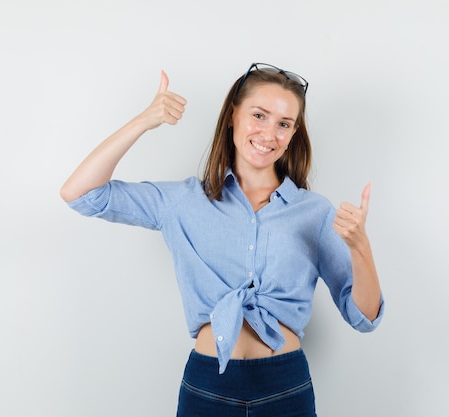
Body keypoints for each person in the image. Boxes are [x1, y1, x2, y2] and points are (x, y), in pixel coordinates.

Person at [60, 62, 384, 416]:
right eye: (259, 115)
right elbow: (81, 194)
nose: (269, 133)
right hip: (208, 387)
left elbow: (363, 316)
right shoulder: (183, 201)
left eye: (284, 124)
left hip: (285, 387)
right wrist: (144, 121)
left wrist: (360, 248)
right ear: (233, 115)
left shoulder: (314, 212)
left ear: (293, 134)